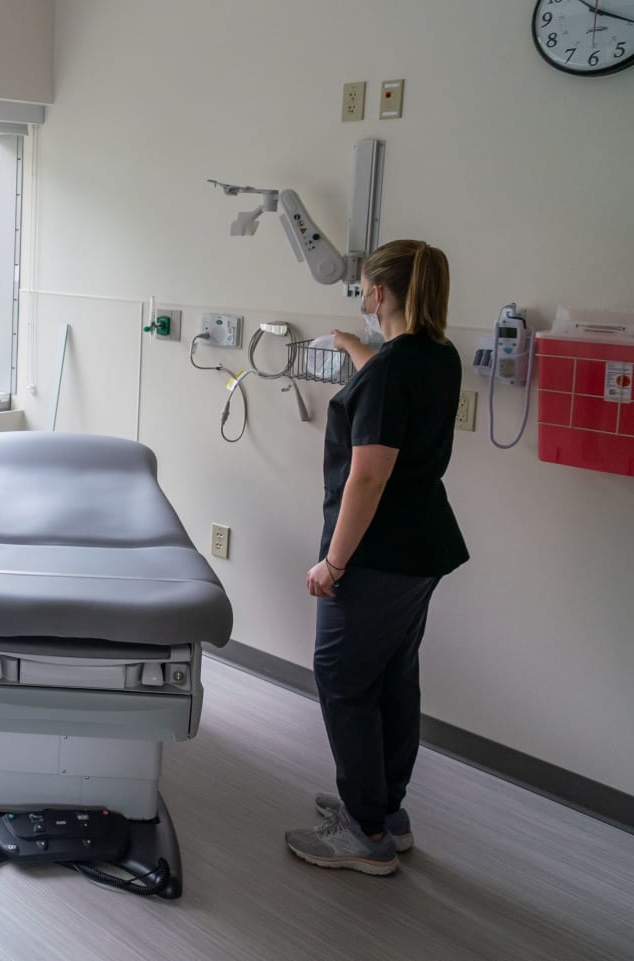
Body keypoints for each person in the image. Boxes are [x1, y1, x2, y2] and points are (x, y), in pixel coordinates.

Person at [284, 239, 469, 876]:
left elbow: (367, 479)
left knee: (342, 679)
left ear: (381, 293)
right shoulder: (437, 357)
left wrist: (331, 565)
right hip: (422, 547)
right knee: (392, 677)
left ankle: (364, 836)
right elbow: (389, 380)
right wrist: (352, 348)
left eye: (364, 286)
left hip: (374, 555)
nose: (362, 297)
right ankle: (387, 812)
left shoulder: (391, 372)